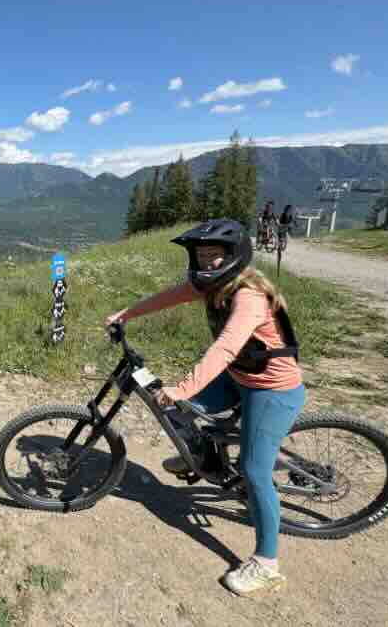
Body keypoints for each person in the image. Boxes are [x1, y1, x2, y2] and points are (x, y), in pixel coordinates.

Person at [103, 218, 304, 597]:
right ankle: (208, 458)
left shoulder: (248, 296)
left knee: (254, 471)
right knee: (188, 412)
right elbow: (169, 296)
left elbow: (226, 348)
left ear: (234, 256)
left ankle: (266, 563)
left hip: (272, 390)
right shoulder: (214, 286)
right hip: (240, 378)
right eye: (202, 256)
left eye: (215, 256)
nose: (207, 263)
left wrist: (180, 387)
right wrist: (125, 313)